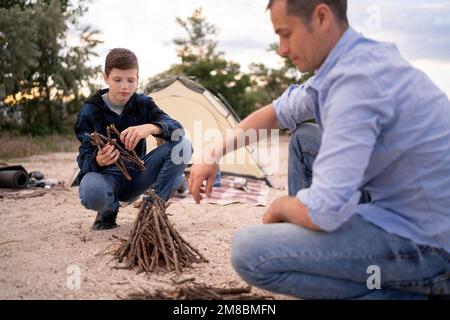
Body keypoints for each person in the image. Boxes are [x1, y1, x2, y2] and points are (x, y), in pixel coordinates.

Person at [188, 0, 450, 299]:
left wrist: (280, 207)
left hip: (429, 244)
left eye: (285, 33)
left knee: (250, 251)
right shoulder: (351, 63)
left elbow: (323, 212)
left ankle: (419, 290)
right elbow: (274, 114)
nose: (281, 49)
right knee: (305, 137)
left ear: (322, 17)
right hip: (401, 208)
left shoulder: (356, 82)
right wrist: (212, 153)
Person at [75, 48, 191, 230]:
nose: (125, 87)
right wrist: (97, 159)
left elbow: (177, 129)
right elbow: (83, 160)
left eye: (131, 80)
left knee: (183, 146)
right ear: (106, 78)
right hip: (107, 178)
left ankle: (154, 208)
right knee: (91, 192)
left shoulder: (142, 103)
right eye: (117, 80)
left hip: (138, 174)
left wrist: (151, 127)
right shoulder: (90, 111)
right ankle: (108, 211)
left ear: (137, 78)